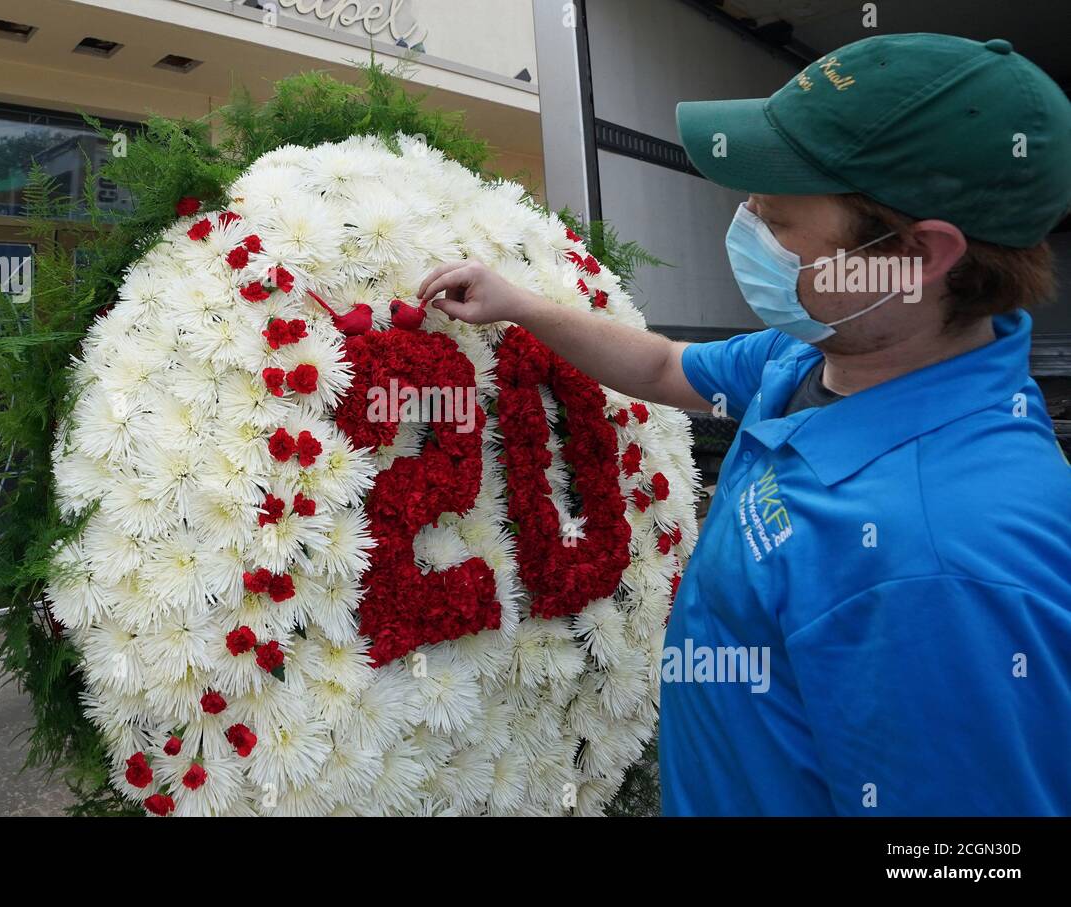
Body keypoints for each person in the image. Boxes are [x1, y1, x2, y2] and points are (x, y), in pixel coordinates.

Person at [418, 32, 1071, 816]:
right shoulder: (810, 356)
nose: (746, 226)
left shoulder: (941, 560)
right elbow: (662, 367)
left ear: (918, 254)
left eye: (776, 215)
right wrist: (518, 303)